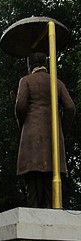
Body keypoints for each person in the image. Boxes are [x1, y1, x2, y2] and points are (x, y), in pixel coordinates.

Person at [15, 52, 76, 208]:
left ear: (30, 66)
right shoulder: (57, 83)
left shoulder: (26, 81)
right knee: (51, 184)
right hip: (53, 138)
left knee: (33, 185)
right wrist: (62, 130)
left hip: (31, 138)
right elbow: (70, 108)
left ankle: (33, 218)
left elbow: (20, 106)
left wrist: (23, 126)